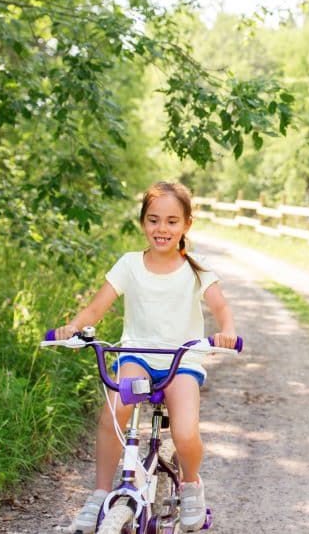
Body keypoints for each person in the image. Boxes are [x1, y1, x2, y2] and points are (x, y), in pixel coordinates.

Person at [58, 181, 239, 533]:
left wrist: (227, 330)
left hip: (180, 360)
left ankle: (190, 484)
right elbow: (96, 308)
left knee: (185, 431)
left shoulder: (195, 268)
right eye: (154, 220)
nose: (162, 229)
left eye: (172, 221)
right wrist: (72, 328)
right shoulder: (129, 264)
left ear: (187, 224)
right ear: (143, 222)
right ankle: (98, 494)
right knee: (114, 410)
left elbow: (221, 308)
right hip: (137, 355)